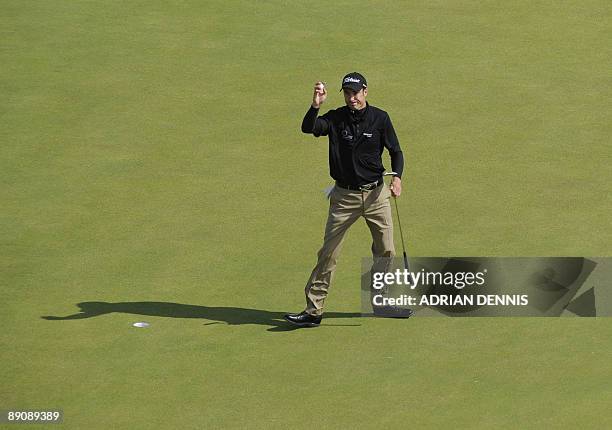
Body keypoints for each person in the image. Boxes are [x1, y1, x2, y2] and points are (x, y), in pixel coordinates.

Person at [284, 72, 409, 327]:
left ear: (365, 91)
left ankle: (381, 302)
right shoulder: (335, 119)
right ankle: (313, 311)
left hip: (377, 195)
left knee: (386, 250)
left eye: (356, 93)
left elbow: (396, 151)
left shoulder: (380, 119)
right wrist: (315, 105)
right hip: (344, 197)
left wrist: (397, 178)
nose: (352, 98)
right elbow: (309, 128)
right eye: (347, 93)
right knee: (329, 253)